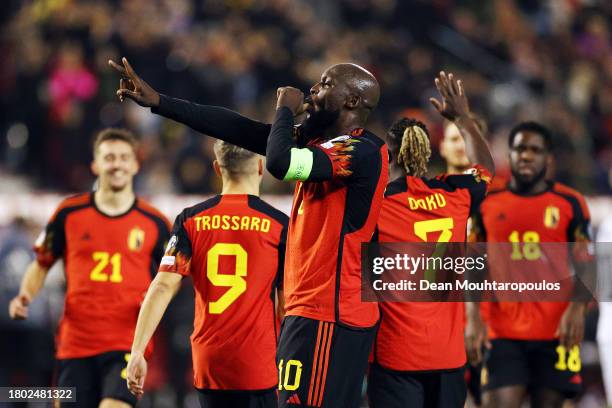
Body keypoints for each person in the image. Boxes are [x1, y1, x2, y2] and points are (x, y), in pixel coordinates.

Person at [110, 57, 388, 408]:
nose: (314, 88)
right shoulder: (322, 143)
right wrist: (162, 103)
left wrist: (284, 111)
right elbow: (239, 129)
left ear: (351, 101)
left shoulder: (361, 150)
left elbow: (280, 163)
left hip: (329, 316)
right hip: (312, 312)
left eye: (327, 83)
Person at [8, 128, 171, 408]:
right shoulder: (68, 213)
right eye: (109, 158)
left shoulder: (154, 222)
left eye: (123, 157)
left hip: (127, 343)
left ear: (135, 164)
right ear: (95, 164)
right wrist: (25, 295)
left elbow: (172, 275)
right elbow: (42, 262)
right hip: (75, 343)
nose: (116, 164)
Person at [125, 141, 288, 408]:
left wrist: (137, 351)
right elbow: (287, 303)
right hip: (259, 362)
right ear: (260, 167)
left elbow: (163, 286)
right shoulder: (280, 225)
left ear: (216, 169)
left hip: (210, 362)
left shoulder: (190, 221)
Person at [368, 72, 494, 408]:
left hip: (395, 353)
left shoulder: (376, 204)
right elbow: (485, 171)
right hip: (448, 355)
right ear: (427, 150)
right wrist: (462, 118)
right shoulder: (455, 194)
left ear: (388, 156)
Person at [467, 121, 592, 408]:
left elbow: (588, 263)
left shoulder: (570, 203)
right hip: (501, 333)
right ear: (509, 154)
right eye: (520, 148)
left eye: (535, 150)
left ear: (548, 158)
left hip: (556, 333)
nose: (526, 156)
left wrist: (577, 307)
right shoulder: (487, 204)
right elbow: (474, 261)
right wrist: (472, 314)